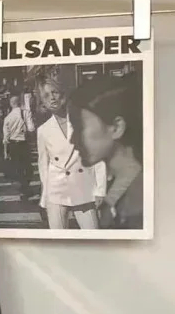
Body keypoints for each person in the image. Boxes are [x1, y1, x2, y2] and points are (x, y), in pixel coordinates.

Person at [69, 72, 144, 229]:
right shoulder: (121, 185)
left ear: (116, 128)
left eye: (79, 127)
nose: (72, 140)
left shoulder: (138, 204)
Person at [35, 70, 107, 230]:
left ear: (62, 94)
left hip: (83, 187)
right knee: (59, 238)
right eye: (46, 96)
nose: (52, 98)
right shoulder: (43, 130)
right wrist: (45, 195)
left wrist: (100, 190)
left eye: (54, 92)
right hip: (56, 190)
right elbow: (43, 166)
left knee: (92, 235)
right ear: (43, 103)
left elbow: (98, 156)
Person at [2, 95, 31, 196]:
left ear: (11, 104)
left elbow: (6, 138)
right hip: (24, 143)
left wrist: (5, 152)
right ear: (20, 103)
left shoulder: (7, 118)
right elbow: (31, 128)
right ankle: (25, 186)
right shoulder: (26, 113)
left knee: (18, 166)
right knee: (27, 166)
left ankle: (22, 188)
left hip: (13, 145)